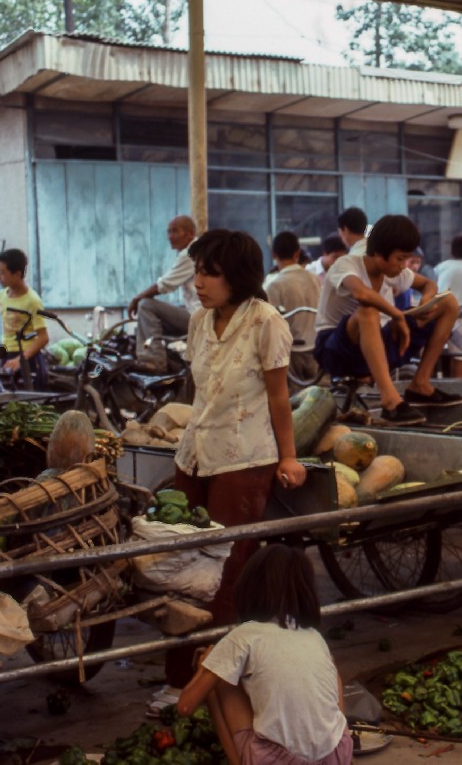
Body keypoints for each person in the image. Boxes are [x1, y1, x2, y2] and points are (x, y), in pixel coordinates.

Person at [165, 229, 306, 693]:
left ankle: (212, 684)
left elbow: (279, 397)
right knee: (181, 566)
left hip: (244, 460)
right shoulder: (198, 321)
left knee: (224, 573)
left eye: (210, 273)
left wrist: (289, 457)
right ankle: (178, 677)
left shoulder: (266, 321)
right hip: (194, 454)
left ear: (239, 277)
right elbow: (201, 390)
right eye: (197, 271)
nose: (198, 282)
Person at [176, 544, 351, 765]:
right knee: (331, 668)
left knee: (220, 676)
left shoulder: (243, 636)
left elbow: (185, 707)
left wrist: (205, 666)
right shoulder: (315, 637)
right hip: (337, 756)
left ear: (249, 587)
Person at [314, 215, 462, 426]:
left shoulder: (394, 271)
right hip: (336, 351)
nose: (403, 266)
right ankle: (390, 402)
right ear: (378, 253)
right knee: (368, 312)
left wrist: (427, 301)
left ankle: (420, 384)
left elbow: (428, 284)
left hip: (377, 340)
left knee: (448, 303)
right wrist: (397, 314)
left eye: (406, 259)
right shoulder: (346, 265)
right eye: (400, 259)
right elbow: (362, 294)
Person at [127, 215, 200, 373]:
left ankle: (154, 360)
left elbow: (165, 285)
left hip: (199, 318)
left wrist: (137, 298)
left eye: (175, 231)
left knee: (146, 305)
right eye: (169, 232)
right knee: (149, 321)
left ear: (190, 233)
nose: (170, 236)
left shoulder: (190, 253)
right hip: (201, 315)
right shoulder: (197, 251)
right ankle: (169, 359)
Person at [265, 231, 321, 384]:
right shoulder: (315, 278)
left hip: (291, 354)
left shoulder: (275, 285)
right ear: (297, 253)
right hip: (316, 350)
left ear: (273, 254)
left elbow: (267, 323)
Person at [0, 248, 50, 388]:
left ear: (17, 274)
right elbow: (6, 332)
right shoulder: (0, 296)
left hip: (27, 358)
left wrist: (21, 359)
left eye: (2, 273)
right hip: (6, 356)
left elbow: (43, 337)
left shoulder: (32, 301)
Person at [435, 235, 462, 378]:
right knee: (460, 357)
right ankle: (458, 386)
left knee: (435, 352)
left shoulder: (443, 267)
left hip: (440, 316)